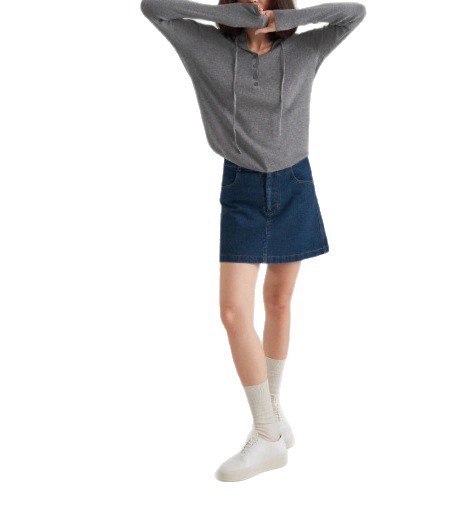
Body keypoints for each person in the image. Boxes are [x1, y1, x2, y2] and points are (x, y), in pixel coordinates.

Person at [140, 0, 367, 481]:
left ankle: (274, 415)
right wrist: (235, 20)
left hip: (295, 183)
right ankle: (266, 433)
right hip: (242, 188)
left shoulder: (305, 50)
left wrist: (285, 22)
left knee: (279, 301)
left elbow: (354, 13)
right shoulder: (205, 47)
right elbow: (153, 8)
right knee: (232, 312)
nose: (257, 4)